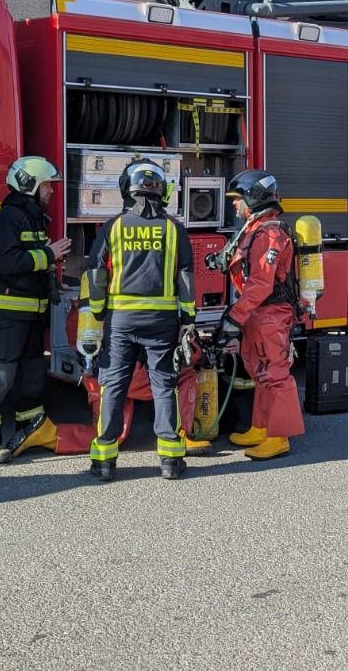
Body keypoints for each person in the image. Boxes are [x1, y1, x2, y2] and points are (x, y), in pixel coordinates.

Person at [80, 159, 196, 481]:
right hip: (162, 321)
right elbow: (185, 276)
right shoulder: (174, 229)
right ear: (161, 190)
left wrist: (99, 311)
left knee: (114, 384)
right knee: (164, 384)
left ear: (125, 189)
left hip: (121, 321)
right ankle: (171, 459)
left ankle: (104, 459)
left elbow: (97, 273)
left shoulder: (113, 227)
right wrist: (188, 318)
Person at [0, 156, 70, 464]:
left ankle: (30, 432)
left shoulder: (33, 217)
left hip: (29, 315)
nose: (51, 192)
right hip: (6, 315)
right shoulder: (8, 219)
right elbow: (7, 262)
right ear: (30, 185)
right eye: (47, 186)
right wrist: (47, 254)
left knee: (31, 378)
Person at [217, 169, 305, 460]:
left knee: (275, 375)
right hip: (258, 315)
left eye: (237, 198)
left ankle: (278, 438)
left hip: (269, 314)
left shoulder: (269, 233)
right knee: (259, 372)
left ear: (253, 199)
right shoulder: (255, 229)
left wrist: (234, 317)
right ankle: (260, 428)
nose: (234, 204)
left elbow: (260, 285)